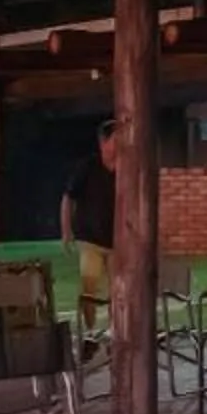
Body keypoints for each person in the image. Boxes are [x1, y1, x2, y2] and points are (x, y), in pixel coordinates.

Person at [60, 118, 119, 322]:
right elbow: (69, 198)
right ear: (103, 142)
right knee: (89, 285)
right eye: (116, 139)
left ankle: (117, 333)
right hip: (90, 239)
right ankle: (89, 331)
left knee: (118, 289)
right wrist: (66, 231)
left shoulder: (128, 170)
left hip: (117, 241)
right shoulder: (87, 167)